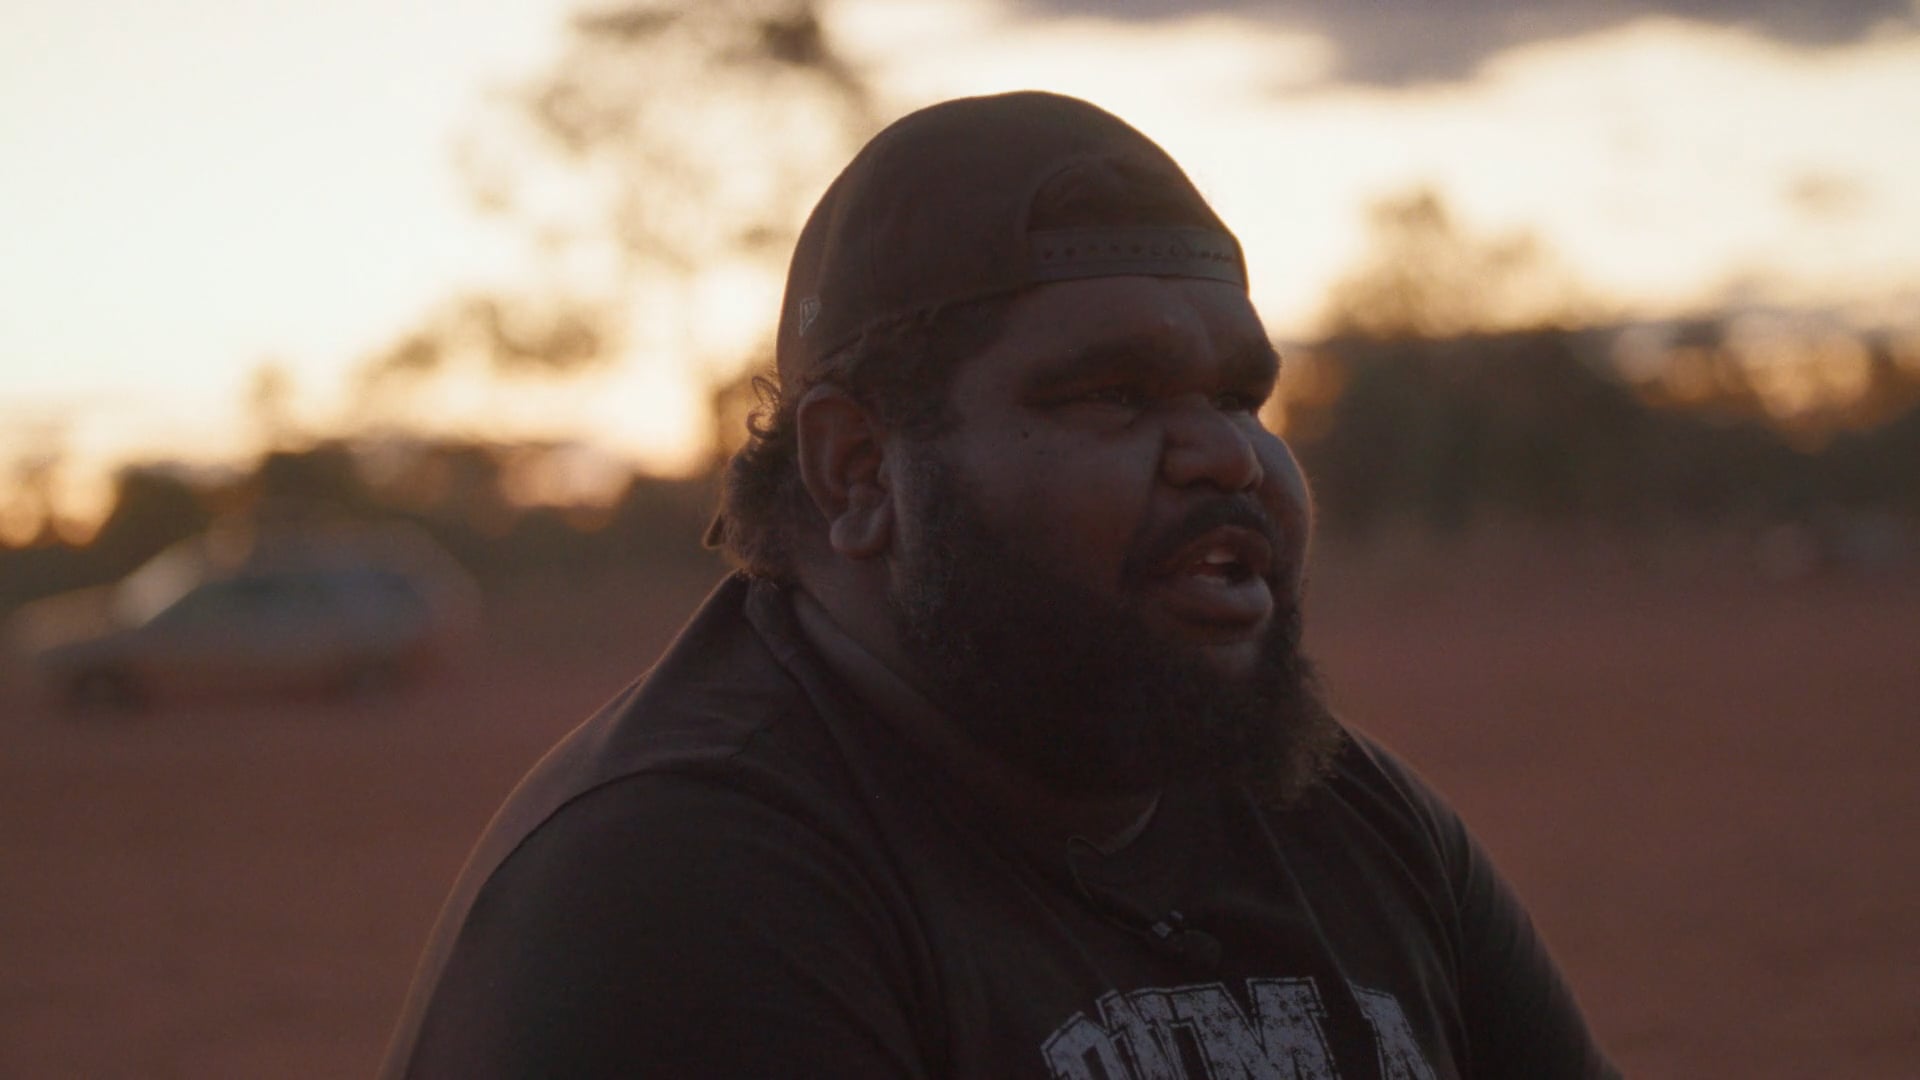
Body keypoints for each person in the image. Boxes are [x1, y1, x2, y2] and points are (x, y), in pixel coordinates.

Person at [382, 91, 1618, 1079]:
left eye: (1244, 399)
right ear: (859, 470)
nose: (1231, 457)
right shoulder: (685, 889)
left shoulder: (1353, 823)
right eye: (1112, 394)